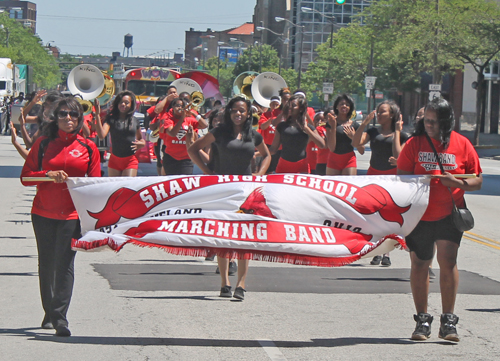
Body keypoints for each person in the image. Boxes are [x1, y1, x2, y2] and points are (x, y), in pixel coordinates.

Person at [397, 98, 482, 342]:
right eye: (426, 120)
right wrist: (418, 179)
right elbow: (399, 178)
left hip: (449, 213)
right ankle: (422, 319)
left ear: (445, 121)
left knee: (448, 260)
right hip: (420, 215)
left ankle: (448, 320)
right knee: (421, 264)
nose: (429, 125)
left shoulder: (462, 144)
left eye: (434, 121)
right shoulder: (414, 143)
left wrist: (456, 183)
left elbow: (477, 180)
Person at [20, 96, 101, 337]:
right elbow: (26, 177)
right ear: (55, 117)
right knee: (47, 263)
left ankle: (60, 317)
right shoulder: (43, 143)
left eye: (74, 115)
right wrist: (47, 175)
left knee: (65, 264)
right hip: (43, 212)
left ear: (80, 119)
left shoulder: (89, 147)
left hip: (72, 215)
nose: (69, 118)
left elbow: (96, 185)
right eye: (64, 114)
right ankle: (49, 312)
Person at [188, 96, 271, 300]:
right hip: (222, 189)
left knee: (244, 237)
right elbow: (193, 149)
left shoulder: (254, 135)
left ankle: (241, 284)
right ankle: (224, 282)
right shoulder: (219, 133)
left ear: (248, 113)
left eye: (242, 111)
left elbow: (267, 155)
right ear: (229, 112)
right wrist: (208, 172)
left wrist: (259, 175)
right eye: (235, 110)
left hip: (245, 190)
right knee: (223, 235)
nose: (238, 114)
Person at [352, 100, 408, 266]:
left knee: (387, 217)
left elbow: (400, 156)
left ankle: (386, 254)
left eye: (382, 111)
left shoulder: (403, 135)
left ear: (391, 114)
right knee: (374, 216)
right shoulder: (372, 131)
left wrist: (397, 132)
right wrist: (364, 124)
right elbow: (356, 143)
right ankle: (377, 250)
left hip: (391, 178)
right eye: (377, 110)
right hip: (373, 176)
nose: (378, 113)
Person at [269, 94, 325, 174]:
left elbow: (321, 145)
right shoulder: (282, 126)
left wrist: (306, 128)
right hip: (283, 166)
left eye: (294, 105)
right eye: (289, 105)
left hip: (302, 167)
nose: (290, 108)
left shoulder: (308, 127)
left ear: (301, 109)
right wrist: (256, 154)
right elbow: (273, 149)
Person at [94, 91, 145, 177]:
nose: (123, 104)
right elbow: (101, 135)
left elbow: (141, 139)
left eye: (126, 102)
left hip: (130, 160)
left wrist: (142, 144)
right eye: (121, 102)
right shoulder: (111, 119)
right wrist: (97, 114)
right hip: (114, 160)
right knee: (116, 189)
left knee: (127, 187)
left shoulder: (135, 121)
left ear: (131, 105)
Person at [160, 97, 208, 175]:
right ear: (173, 107)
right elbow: (172, 133)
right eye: (178, 105)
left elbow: (205, 125)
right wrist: (182, 118)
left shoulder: (189, 120)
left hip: (186, 158)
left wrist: (193, 113)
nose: (180, 108)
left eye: (182, 106)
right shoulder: (169, 120)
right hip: (170, 157)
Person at [326, 94, 363, 175]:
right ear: (336, 107)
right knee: (333, 186)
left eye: (347, 105)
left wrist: (354, 138)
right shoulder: (331, 123)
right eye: (341, 104)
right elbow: (331, 148)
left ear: (350, 108)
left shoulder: (355, 125)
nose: (344, 106)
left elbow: (362, 150)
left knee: (349, 184)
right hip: (333, 159)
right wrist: (333, 127)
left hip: (349, 159)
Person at [258, 96, 282, 173]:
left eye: (276, 105)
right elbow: (262, 127)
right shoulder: (265, 115)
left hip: (279, 146)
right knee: (267, 169)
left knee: (277, 169)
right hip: (267, 145)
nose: (274, 106)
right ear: (270, 105)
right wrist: (271, 119)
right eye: (273, 105)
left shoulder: (282, 115)